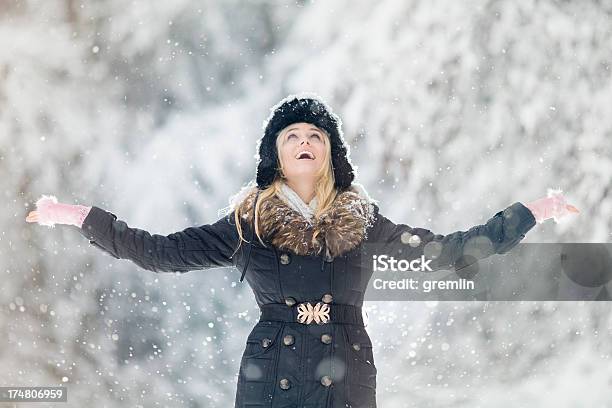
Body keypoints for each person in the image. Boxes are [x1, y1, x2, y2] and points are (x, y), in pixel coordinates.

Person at [25, 93, 579, 407]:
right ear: (276, 156)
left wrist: (530, 211)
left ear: (331, 154)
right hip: (272, 372)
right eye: (292, 136)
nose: (305, 142)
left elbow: (455, 251)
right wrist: (82, 218)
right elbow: (159, 252)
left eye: (316, 135)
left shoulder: (365, 224)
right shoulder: (247, 226)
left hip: (347, 374)